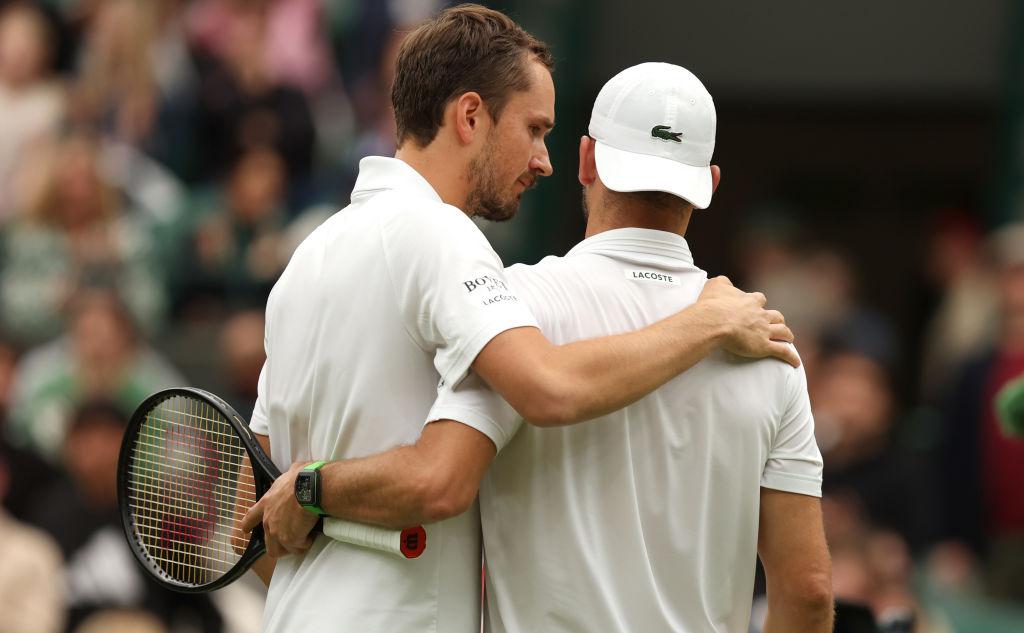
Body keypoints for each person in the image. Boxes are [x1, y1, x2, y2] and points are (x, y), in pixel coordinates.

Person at [241, 6, 797, 632]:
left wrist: (319, 539)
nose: (543, 161)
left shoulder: (307, 258)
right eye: (534, 130)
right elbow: (546, 389)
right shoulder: (441, 234)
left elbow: (248, 512)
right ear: (470, 116)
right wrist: (707, 323)